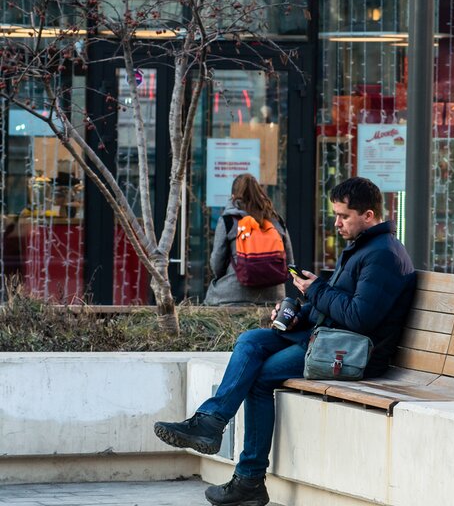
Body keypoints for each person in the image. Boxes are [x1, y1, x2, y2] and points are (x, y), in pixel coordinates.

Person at [154, 177, 417, 506]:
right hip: (327, 338)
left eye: (343, 216)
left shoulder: (383, 255)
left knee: (260, 378)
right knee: (251, 340)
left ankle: (249, 480)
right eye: (335, 215)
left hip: (351, 353)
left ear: (368, 215)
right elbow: (339, 306)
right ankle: (211, 422)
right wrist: (297, 314)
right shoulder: (363, 248)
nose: (337, 223)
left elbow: (359, 317)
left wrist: (315, 289)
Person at [204, 173, 294, 306]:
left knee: (209, 301)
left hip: (232, 297)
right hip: (273, 298)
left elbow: (217, 264)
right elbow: (290, 263)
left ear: (233, 196)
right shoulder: (276, 221)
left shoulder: (229, 220)